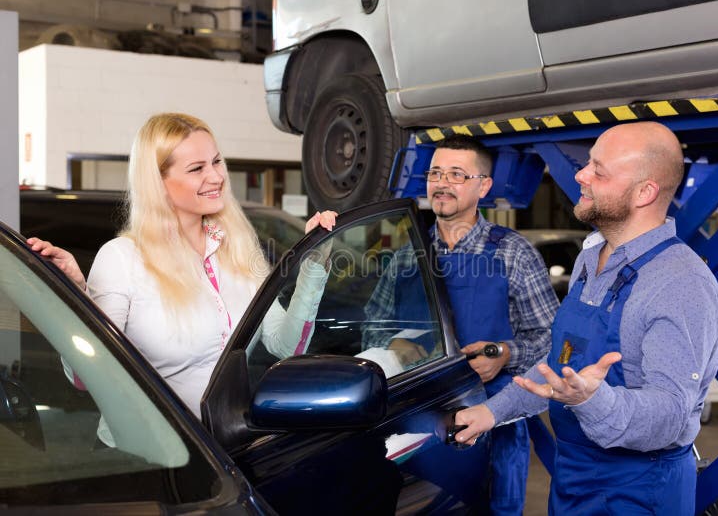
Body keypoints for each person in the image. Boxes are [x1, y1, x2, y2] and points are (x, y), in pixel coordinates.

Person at [455, 121, 718, 515]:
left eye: (599, 170)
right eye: (587, 165)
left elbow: (670, 415)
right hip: (574, 480)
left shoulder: (680, 284)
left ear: (644, 192)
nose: (580, 175)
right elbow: (560, 367)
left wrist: (593, 400)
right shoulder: (591, 258)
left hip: (637, 492)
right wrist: (491, 412)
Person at [27, 112, 338, 432]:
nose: (216, 177)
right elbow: (85, 379)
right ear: (158, 182)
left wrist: (314, 265)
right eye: (197, 169)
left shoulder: (240, 249)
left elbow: (286, 346)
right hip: (153, 458)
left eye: (217, 162)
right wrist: (80, 299)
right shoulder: (122, 259)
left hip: (227, 453)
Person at [364, 133, 559, 515]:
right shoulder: (408, 258)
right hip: (419, 422)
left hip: (494, 420)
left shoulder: (512, 253)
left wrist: (504, 353)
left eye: (457, 174)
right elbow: (373, 326)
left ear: (483, 186)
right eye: (436, 173)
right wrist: (393, 346)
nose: (442, 183)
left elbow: (553, 338)